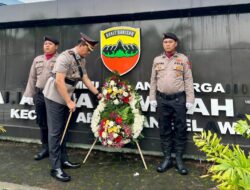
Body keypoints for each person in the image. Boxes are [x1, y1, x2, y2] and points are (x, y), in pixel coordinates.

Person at [43, 33, 102, 182]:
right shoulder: (65, 57)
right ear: (81, 45)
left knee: (64, 131)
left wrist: (97, 93)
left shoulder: (81, 59)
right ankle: (55, 167)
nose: (88, 53)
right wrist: (69, 101)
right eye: (88, 50)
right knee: (55, 132)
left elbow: (85, 78)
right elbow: (59, 81)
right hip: (55, 96)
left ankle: (63, 160)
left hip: (66, 96)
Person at [149, 32, 195, 175]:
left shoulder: (182, 59)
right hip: (162, 100)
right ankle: (167, 159)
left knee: (180, 129)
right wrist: (152, 98)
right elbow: (153, 81)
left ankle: (179, 160)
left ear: (176, 43)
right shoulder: (157, 60)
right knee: (165, 129)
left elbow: (188, 80)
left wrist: (190, 100)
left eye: (170, 42)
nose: (167, 44)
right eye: (165, 42)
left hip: (178, 100)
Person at [23, 36, 59, 161]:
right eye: (45, 44)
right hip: (39, 94)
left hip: (54, 95)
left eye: (50, 43)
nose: (47, 46)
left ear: (56, 46)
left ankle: (55, 149)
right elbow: (32, 78)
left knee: (53, 123)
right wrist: (28, 95)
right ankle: (45, 148)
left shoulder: (60, 59)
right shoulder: (37, 59)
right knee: (42, 122)